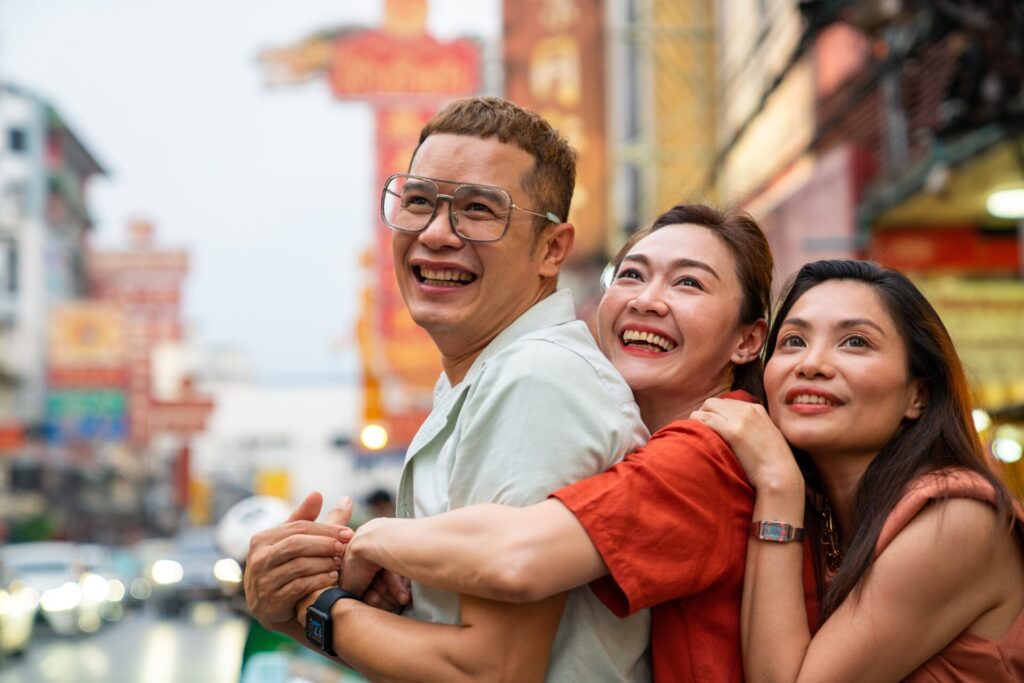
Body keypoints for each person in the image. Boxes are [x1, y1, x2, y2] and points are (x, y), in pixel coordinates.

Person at [244, 96, 652, 682]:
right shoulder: (482, 375)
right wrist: (296, 601)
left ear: (552, 249)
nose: (436, 234)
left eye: (479, 210)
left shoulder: (534, 378)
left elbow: (492, 670)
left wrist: (309, 608)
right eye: (417, 203)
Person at [330, 203, 796, 683]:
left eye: (689, 283)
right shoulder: (664, 443)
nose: (646, 301)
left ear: (748, 340)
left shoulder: (702, 454)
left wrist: (369, 541)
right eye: (631, 275)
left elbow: (517, 557)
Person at [692, 259, 1024, 682]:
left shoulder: (957, 516)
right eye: (793, 340)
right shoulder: (824, 513)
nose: (811, 364)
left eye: (854, 342)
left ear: (918, 395)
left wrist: (778, 484)